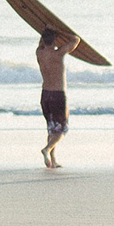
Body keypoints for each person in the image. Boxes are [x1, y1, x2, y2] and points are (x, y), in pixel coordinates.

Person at [35, 26, 80, 169]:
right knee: (62, 129)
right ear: (54, 41)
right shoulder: (59, 54)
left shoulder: (39, 53)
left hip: (45, 95)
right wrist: (60, 31)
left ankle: (53, 161)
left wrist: (46, 32)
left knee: (51, 128)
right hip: (58, 95)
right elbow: (75, 39)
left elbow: (41, 44)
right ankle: (47, 149)